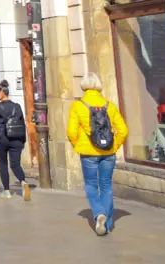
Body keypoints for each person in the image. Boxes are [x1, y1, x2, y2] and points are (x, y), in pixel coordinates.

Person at [67, 73, 128, 236]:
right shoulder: (110, 105)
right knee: (106, 186)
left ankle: (98, 212)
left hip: (88, 153)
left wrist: (78, 145)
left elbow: (71, 132)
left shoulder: (78, 106)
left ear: (84, 85)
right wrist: (114, 146)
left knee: (91, 185)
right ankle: (107, 225)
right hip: (108, 152)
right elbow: (123, 130)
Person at [0, 80, 29, 199]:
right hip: (16, 138)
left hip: (2, 139)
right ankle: (23, 181)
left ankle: (6, 191)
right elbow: (22, 123)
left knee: (3, 165)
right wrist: (23, 140)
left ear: (2, 92)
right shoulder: (17, 107)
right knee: (15, 164)